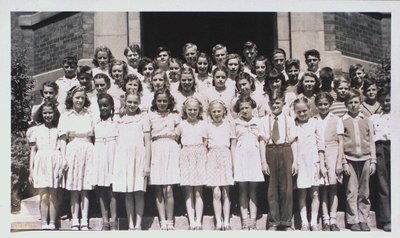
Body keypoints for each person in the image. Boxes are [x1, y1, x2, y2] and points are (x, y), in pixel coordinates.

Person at [113, 89, 151, 230]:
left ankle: (138, 224)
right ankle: (130, 224)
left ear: (139, 103)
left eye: (135, 102)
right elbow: (117, 141)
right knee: (128, 191)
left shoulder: (143, 118)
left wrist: (147, 164)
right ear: (125, 102)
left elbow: (147, 142)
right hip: (124, 157)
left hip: (139, 157)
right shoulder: (119, 119)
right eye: (129, 101)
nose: (132, 104)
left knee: (139, 192)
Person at [58, 86, 94, 231]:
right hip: (72, 150)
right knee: (74, 187)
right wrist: (63, 158)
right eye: (77, 97)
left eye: (82, 98)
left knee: (85, 187)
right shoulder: (66, 116)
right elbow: (62, 139)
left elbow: (92, 137)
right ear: (71, 98)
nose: (79, 100)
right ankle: (75, 220)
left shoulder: (89, 115)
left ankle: (84, 220)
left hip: (87, 149)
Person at [261, 91, 298, 231]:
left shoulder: (289, 119)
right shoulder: (264, 120)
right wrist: (264, 162)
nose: (274, 105)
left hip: (286, 150)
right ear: (268, 104)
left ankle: (286, 222)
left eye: (277, 103)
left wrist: (295, 161)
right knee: (272, 188)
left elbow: (294, 141)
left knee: (287, 189)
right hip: (270, 151)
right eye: (272, 103)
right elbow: (261, 142)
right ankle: (274, 222)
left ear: (283, 103)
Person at [341, 89, 376, 232]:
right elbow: (341, 143)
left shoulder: (367, 120)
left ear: (360, 103)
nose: (353, 105)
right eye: (350, 102)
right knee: (351, 190)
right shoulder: (342, 120)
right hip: (349, 159)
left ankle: (363, 219)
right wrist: (343, 162)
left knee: (364, 191)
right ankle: (353, 219)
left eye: (356, 102)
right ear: (346, 104)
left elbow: (372, 141)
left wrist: (373, 160)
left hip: (366, 159)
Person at [232, 95, 267, 230]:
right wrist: (234, 164)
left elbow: (262, 141)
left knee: (253, 189)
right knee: (242, 189)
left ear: (252, 108)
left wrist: (263, 161)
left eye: (247, 107)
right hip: (241, 157)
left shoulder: (259, 122)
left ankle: (252, 219)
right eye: (242, 108)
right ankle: (244, 219)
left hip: (254, 157)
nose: (245, 110)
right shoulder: (235, 123)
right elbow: (233, 144)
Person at [148, 89, 180, 230]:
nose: (162, 103)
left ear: (169, 101)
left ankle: (170, 220)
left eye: (164, 101)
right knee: (159, 188)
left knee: (169, 188)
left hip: (171, 149)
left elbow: (179, 135)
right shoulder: (150, 116)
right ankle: (162, 221)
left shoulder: (175, 116)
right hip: (156, 149)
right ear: (155, 101)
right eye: (159, 101)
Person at [293, 97, 326, 231]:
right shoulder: (293, 124)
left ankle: (313, 222)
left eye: (304, 111)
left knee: (315, 193)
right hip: (300, 162)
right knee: (302, 193)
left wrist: (322, 164)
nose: (302, 114)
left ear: (310, 109)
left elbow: (321, 145)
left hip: (313, 161)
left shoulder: (315, 123)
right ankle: (304, 222)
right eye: (298, 111)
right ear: (294, 112)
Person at [28, 100, 62, 230]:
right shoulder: (36, 131)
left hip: (54, 163)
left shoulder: (57, 130)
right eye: (45, 113)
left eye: (50, 112)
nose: (48, 115)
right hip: (40, 163)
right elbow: (33, 151)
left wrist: (60, 167)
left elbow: (60, 149)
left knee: (53, 195)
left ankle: (52, 222)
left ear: (54, 113)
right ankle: (44, 222)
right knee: (43, 195)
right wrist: (31, 170)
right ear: (41, 114)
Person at [314, 92, 344, 231]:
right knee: (322, 188)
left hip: (333, 152)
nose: (323, 106)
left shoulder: (336, 119)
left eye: (325, 104)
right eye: (320, 104)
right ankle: (325, 219)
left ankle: (333, 220)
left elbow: (341, 142)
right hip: (319, 154)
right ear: (316, 105)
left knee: (333, 187)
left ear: (330, 104)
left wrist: (339, 162)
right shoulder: (314, 119)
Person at [176, 97, 207, 230]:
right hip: (186, 156)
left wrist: (204, 156)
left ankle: (198, 220)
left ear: (199, 110)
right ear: (185, 110)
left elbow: (206, 142)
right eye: (190, 109)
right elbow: (177, 141)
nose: (193, 112)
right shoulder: (181, 125)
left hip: (200, 155)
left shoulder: (203, 124)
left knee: (198, 191)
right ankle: (191, 220)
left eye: (195, 109)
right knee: (188, 191)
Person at [206, 100, 236, 230]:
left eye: (219, 111)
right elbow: (205, 146)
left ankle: (227, 221)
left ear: (224, 111)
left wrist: (234, 163)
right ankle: (218, 221)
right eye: (214, 112)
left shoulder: (229, 125)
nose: (217, 114)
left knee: (226, 191)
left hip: (226, 156)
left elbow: (233, 145)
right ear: (210, 113)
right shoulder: (207, 126)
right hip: (212, 157)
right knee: (216, 192)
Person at [93, 93, 118, 230]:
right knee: (101, 188)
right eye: (101, 106)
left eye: (106, 105)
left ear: (111, 106)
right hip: (99, 154)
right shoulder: (95, 122)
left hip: (113, 153)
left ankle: (113, 220)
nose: (103, 108)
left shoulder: (116, 121)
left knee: (111, 188)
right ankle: (105, 220)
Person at [369, 88, 391, 232]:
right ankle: (386, 219)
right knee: (383, 185)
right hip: (381, 149)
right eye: (383, 101)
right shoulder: (375, 117)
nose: (386, 103)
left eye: (389, 100)